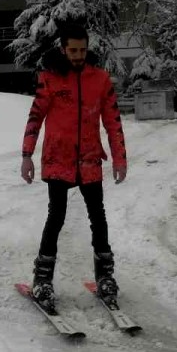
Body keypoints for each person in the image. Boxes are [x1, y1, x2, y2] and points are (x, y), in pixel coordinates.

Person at [20, 21, 128, 307]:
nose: (78, 55)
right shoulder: (50, 79)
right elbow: (35, 118)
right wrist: (27, 156)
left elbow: (113, 122)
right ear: (63, 49)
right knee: (56, 217)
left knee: (98, 217)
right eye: (73, 50)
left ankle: (105, 277)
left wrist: (119, 159)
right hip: (58, 159)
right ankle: (42, 279)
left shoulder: (100, 80)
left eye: (82, 50)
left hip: (90, 160)